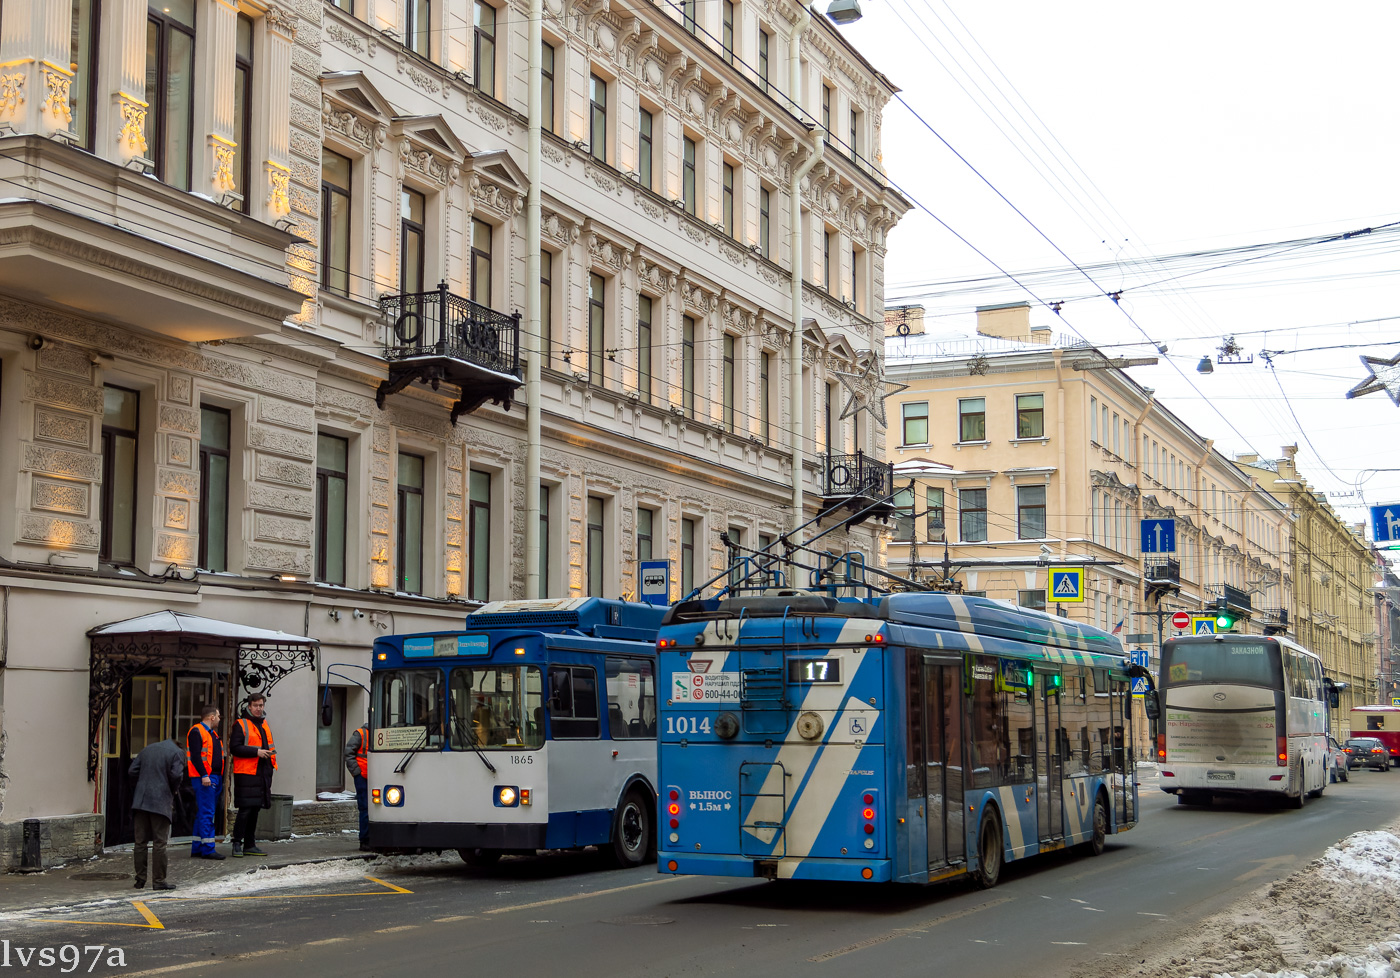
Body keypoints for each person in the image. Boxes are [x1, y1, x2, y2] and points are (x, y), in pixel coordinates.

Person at [130, 736, 186, 889]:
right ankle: (158, 881)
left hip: (140, 801)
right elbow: (176, 775)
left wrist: (143, 784)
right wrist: (173, 790)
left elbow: (132, 771)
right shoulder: (177, 753)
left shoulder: (147, 749)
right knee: (159, 843)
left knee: (140, 842)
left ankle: (140, 880)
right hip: (160, 802)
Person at [229, 693, 275, 858]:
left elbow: (268, 745)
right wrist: (256, 752)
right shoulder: (241, 724)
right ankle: (237, 843)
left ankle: (250, 844)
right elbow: (234, 747)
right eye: (255, 705)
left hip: (261, 772)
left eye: (261, 705)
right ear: (249, 706)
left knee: (255, 809)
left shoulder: (264, 724)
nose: (258, 708)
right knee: (246, 809)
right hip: (247, 773)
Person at [185, 705, 226, 860]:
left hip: (213, 777)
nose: (220, 719)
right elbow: (195, 757)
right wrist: (204, 775)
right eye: (219, 716)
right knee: (207, 814)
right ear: (212, 717)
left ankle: (198, 847)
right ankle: (208, 849)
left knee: (203, 813)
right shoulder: (197, 731)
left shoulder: (212, 734)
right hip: (205, 778)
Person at [344, 721, 369, 851]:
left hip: (371, 776)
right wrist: (357, 773)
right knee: (365, 808)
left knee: (368, 809)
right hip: (363, 777)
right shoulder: (361, 733)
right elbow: (349, 754)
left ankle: (368, 839)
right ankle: (365, 840)